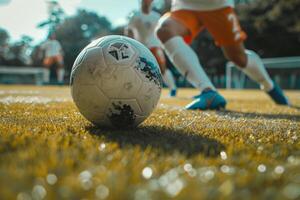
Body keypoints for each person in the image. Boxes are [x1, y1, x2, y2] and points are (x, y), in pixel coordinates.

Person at [155, 0, 289, 110]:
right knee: (165, 30)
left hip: (217, 5)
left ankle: (268, 85)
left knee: (238, 58)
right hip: (184, 6)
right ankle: (208, 92)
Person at [125, 0, 177, 97]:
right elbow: (129, 29)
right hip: (140, 47)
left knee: (162, 68)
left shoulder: (156, 16)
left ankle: (173, 88)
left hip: (155, 45)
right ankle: (139, 90)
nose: (146, 2)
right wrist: (130, 43)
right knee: (139, 69)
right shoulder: (135, 15)